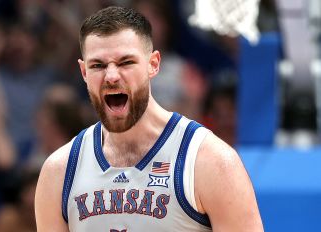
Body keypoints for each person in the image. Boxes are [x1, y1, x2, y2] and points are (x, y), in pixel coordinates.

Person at [35, 6, 263, 232]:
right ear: (84, 73)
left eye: (126, 62)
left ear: (153, 65)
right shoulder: (59, 172)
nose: (111, 76)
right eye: (98, 65)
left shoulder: (210, 161)